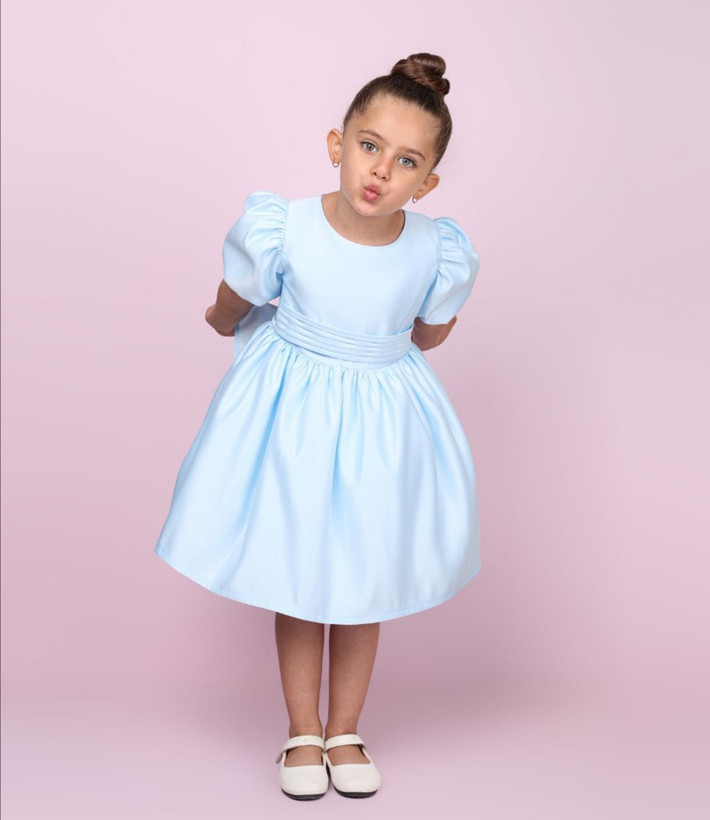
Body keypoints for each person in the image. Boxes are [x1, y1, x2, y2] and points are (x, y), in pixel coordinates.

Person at [154, 52, 482, 800]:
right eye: (369, 146)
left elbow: (428, 331)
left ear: (427, 183)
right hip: (295, 415)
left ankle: (346, 730)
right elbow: (237, 294)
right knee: (300, 572)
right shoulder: (288, 227)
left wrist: (408, 333)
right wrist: (220, 319)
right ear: (338, 144)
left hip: (380, 422)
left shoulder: (434, 248)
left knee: (363, 576)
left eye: (406, 162)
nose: (380, 171)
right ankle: (302, 730)